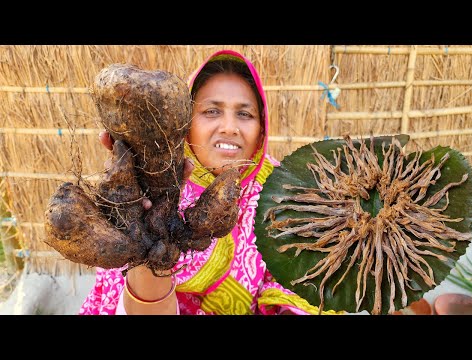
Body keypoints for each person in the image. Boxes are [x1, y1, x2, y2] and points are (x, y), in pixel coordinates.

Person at [79, 49, 343, 315]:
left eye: (245, 114)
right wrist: (146, 247)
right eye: (212, 111)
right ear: (186, 123)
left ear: (262, 128)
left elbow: (298, 283)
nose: (229, 127)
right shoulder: (152, 189)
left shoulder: (281, 193)